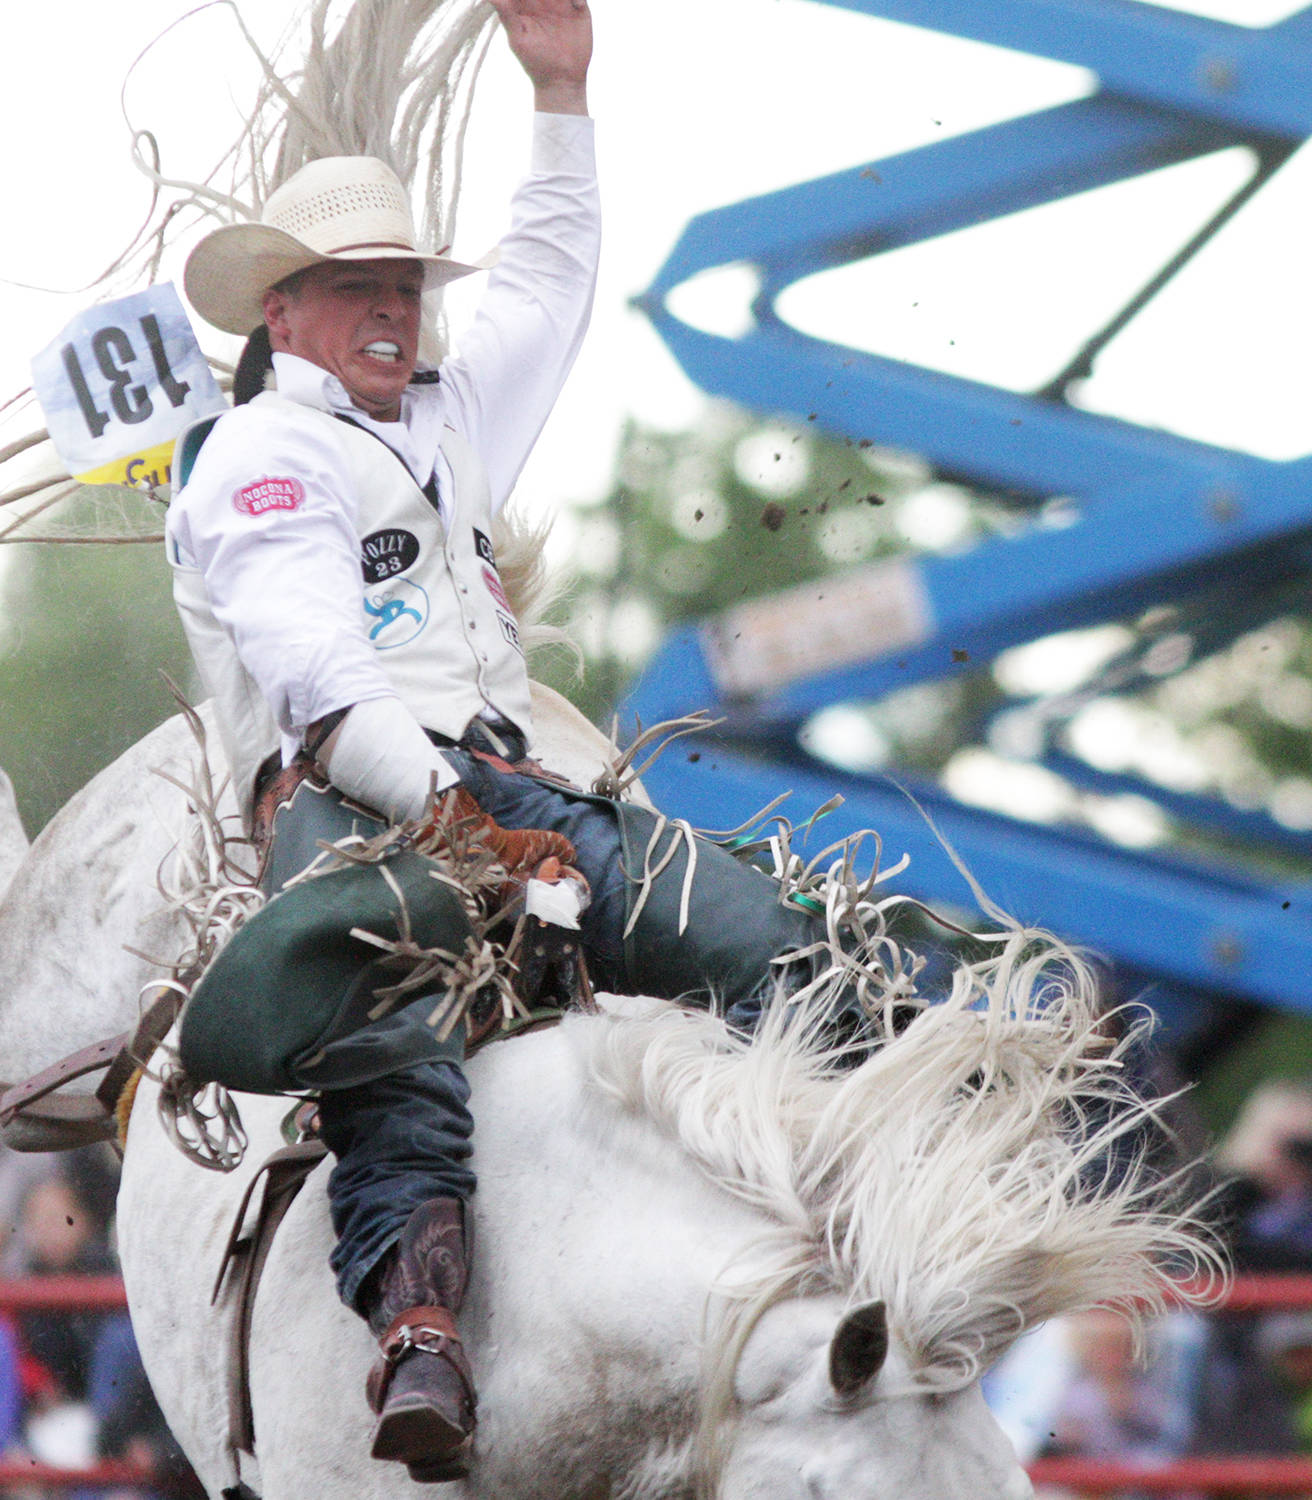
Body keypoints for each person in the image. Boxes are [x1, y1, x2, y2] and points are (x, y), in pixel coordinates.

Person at [166, 0, 853, 1481]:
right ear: (279, 313)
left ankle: (867, 1238)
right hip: (355, 797)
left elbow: (549, 277)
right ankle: (421, 1333)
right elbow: (323, 683)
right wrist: (463, 827)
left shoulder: (446, 414)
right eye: (353, 287)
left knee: (767, 938)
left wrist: (563, 93)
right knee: (394, 1034)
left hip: (507, 780)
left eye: (402, 281)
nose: (390, 308)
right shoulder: (264, 456)